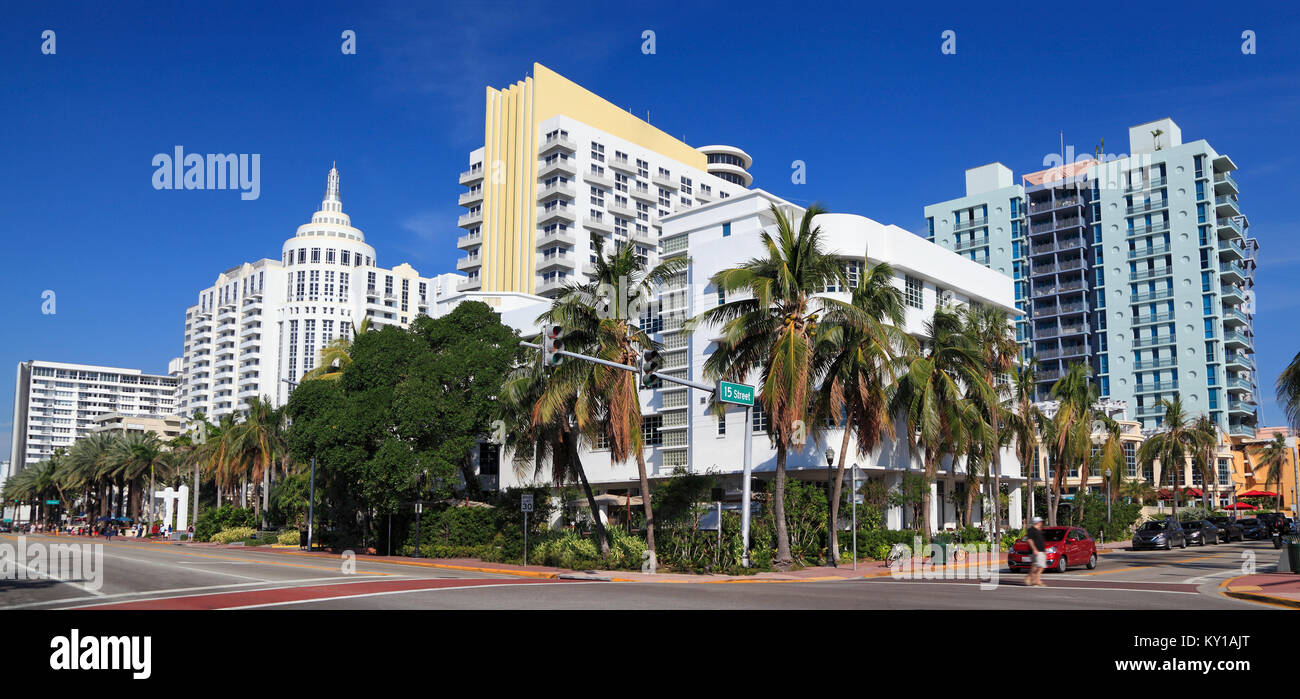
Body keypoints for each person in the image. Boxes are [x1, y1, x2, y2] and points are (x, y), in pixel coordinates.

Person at [1025, 517, 1047, 587]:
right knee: (1036, 566)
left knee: (1041, 567)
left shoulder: (1039, 530)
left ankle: (1037, 580)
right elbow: (1029, 540)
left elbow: (1041, 541)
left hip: (1041, 551)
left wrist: (1044, 550)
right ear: (1037, 522)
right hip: (1036, 551)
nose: (1041, 522)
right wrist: (1034, 549)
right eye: (1040, 521)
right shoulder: (1031, 530)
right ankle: (1031, 578)